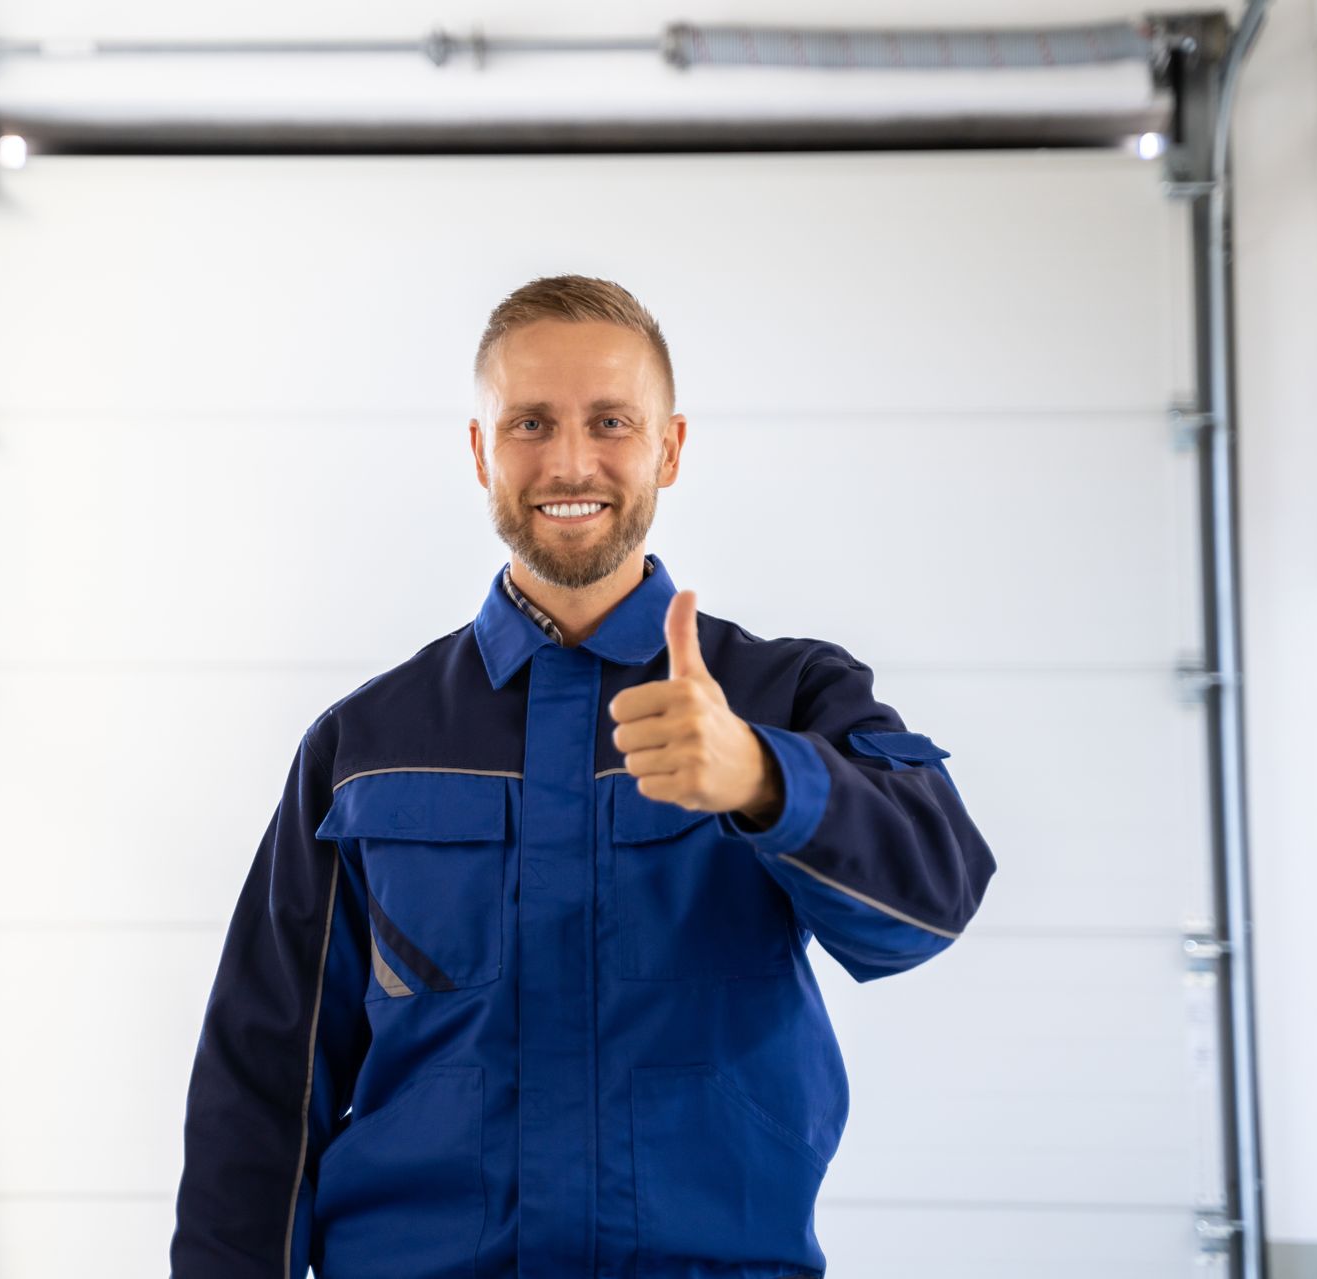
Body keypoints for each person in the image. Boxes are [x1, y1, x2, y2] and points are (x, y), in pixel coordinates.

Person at [170, 274, 998, 1279]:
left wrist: (765, 782)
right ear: (480, 450)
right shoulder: (364, 745)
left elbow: (929, 910)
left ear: (669, 447)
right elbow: (261, 1085)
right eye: (529, 422)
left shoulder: (784, 695)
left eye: (611, 420)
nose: (570, 460)